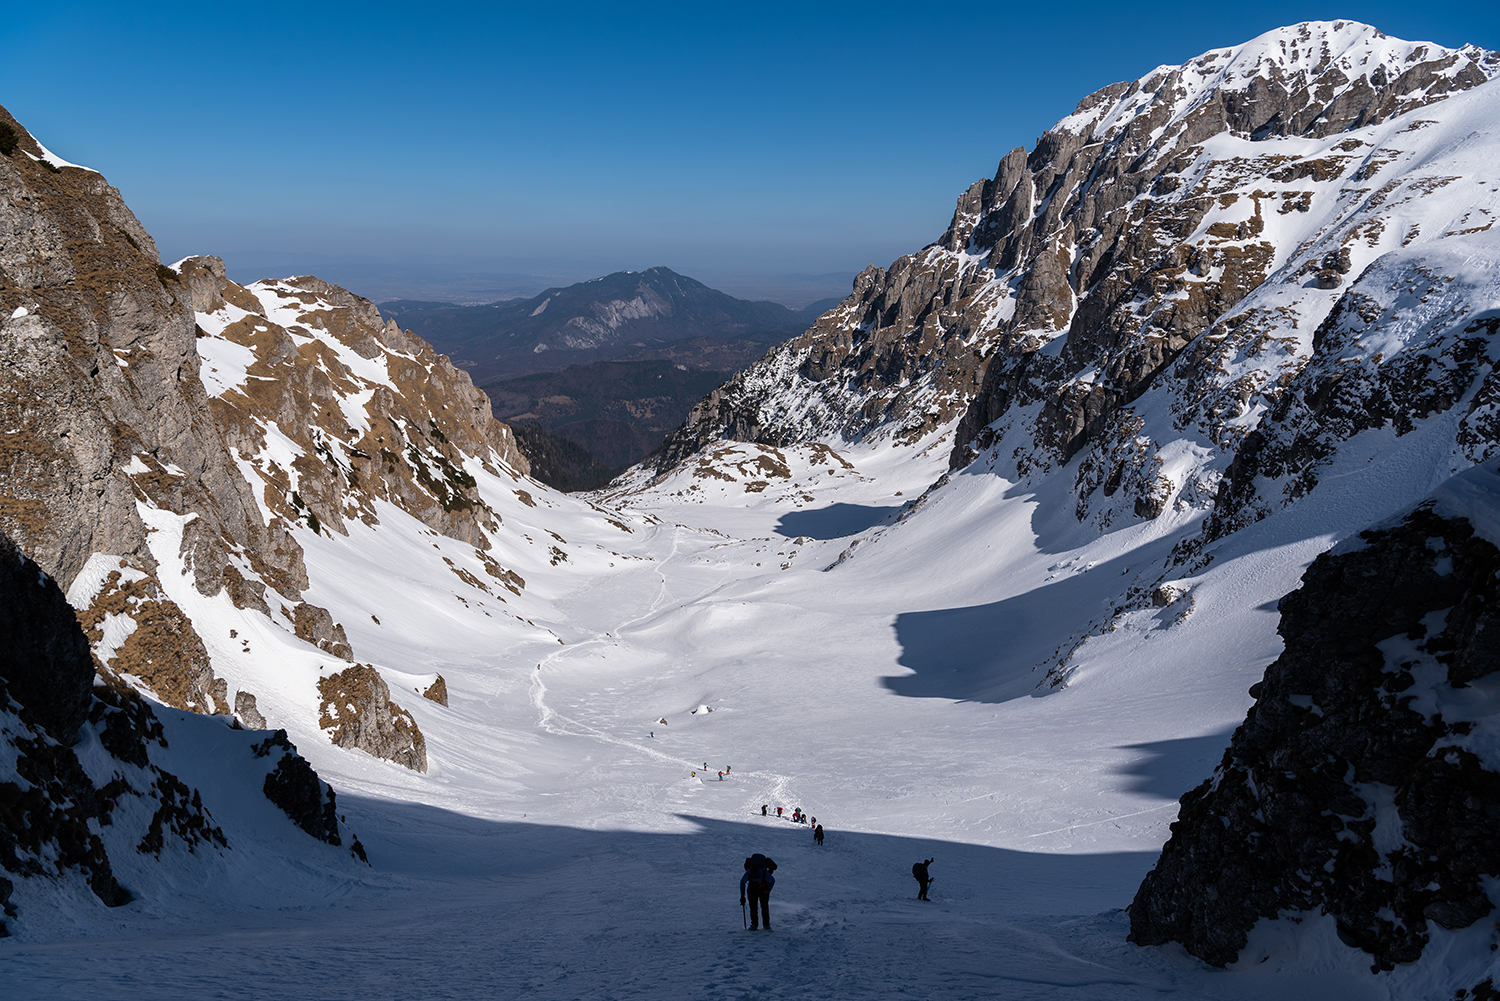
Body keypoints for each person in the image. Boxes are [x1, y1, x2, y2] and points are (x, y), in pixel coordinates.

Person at [740, 853, 777, 930]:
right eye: (753, 879)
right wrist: (742, 896)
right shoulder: (749, 873)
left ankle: (764, 924)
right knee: (753, 907)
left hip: (763, 889)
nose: (754, 880)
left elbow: (772, 881)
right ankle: (755, 924)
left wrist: (768, 890)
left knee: (764, 906)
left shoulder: (764, 874)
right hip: (752, 888)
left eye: (756, 879)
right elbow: (742, 882)